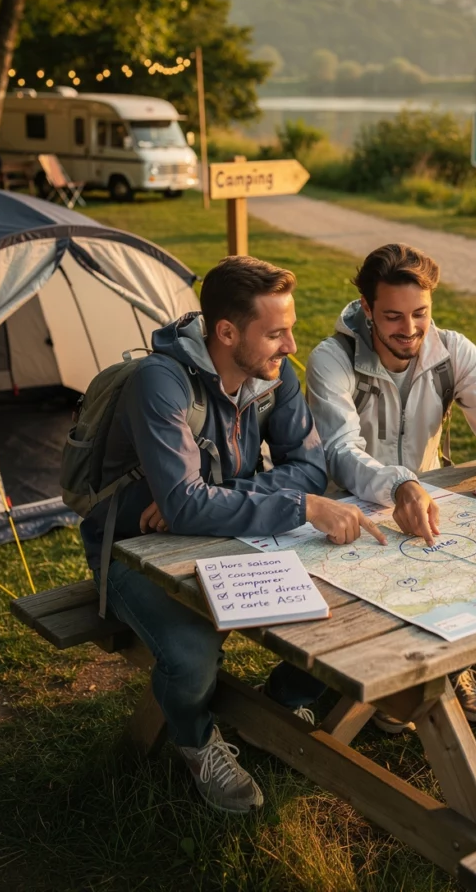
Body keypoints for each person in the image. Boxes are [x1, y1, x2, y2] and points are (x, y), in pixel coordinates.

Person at [81, 255, 384, 814]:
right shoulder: (159, 383)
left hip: (227, 535)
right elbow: (190, 504)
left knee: (351, 605)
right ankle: (196, 741)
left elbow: (310, 467)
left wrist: (211, 499)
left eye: (289, 329)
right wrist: (283, 504)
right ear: (226, 332)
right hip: (130, 549)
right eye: (275, 333)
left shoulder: (275, 376)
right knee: (193, 649)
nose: (291, 346)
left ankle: (285, 702)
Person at [306, 243, 476, 731]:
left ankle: (447, 671)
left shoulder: (454, 351)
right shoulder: (331, 359)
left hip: (427, 502)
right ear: (366, 309)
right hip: (350, 510)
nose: (409, 330)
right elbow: (339, 451)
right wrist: (402, 483)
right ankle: (394, 684)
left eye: (420, 314)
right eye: (392, 317)